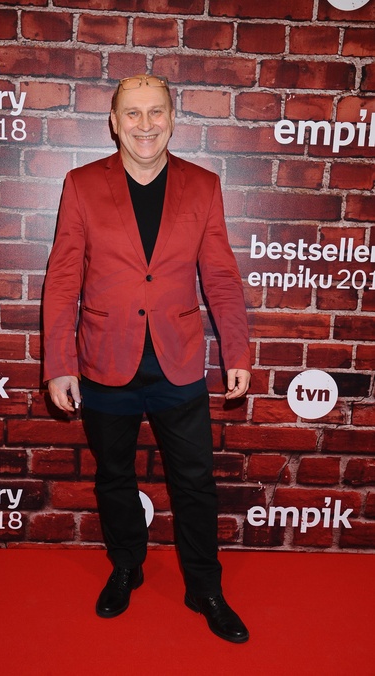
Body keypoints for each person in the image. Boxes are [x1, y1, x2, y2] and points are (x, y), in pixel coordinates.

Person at [43, 74, 251, 643]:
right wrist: (59, 363)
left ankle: (204, 586)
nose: (145, 125)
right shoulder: (82, 185)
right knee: (114, 476)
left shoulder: (203, 185)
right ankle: (126, 566)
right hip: (105, 357)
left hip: (178, 361)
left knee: (196, 482)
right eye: (132, 113)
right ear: (114, 122)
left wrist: (236, 349)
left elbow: (221, 277)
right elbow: (62, 279)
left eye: (156, 112)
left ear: (172, 118)